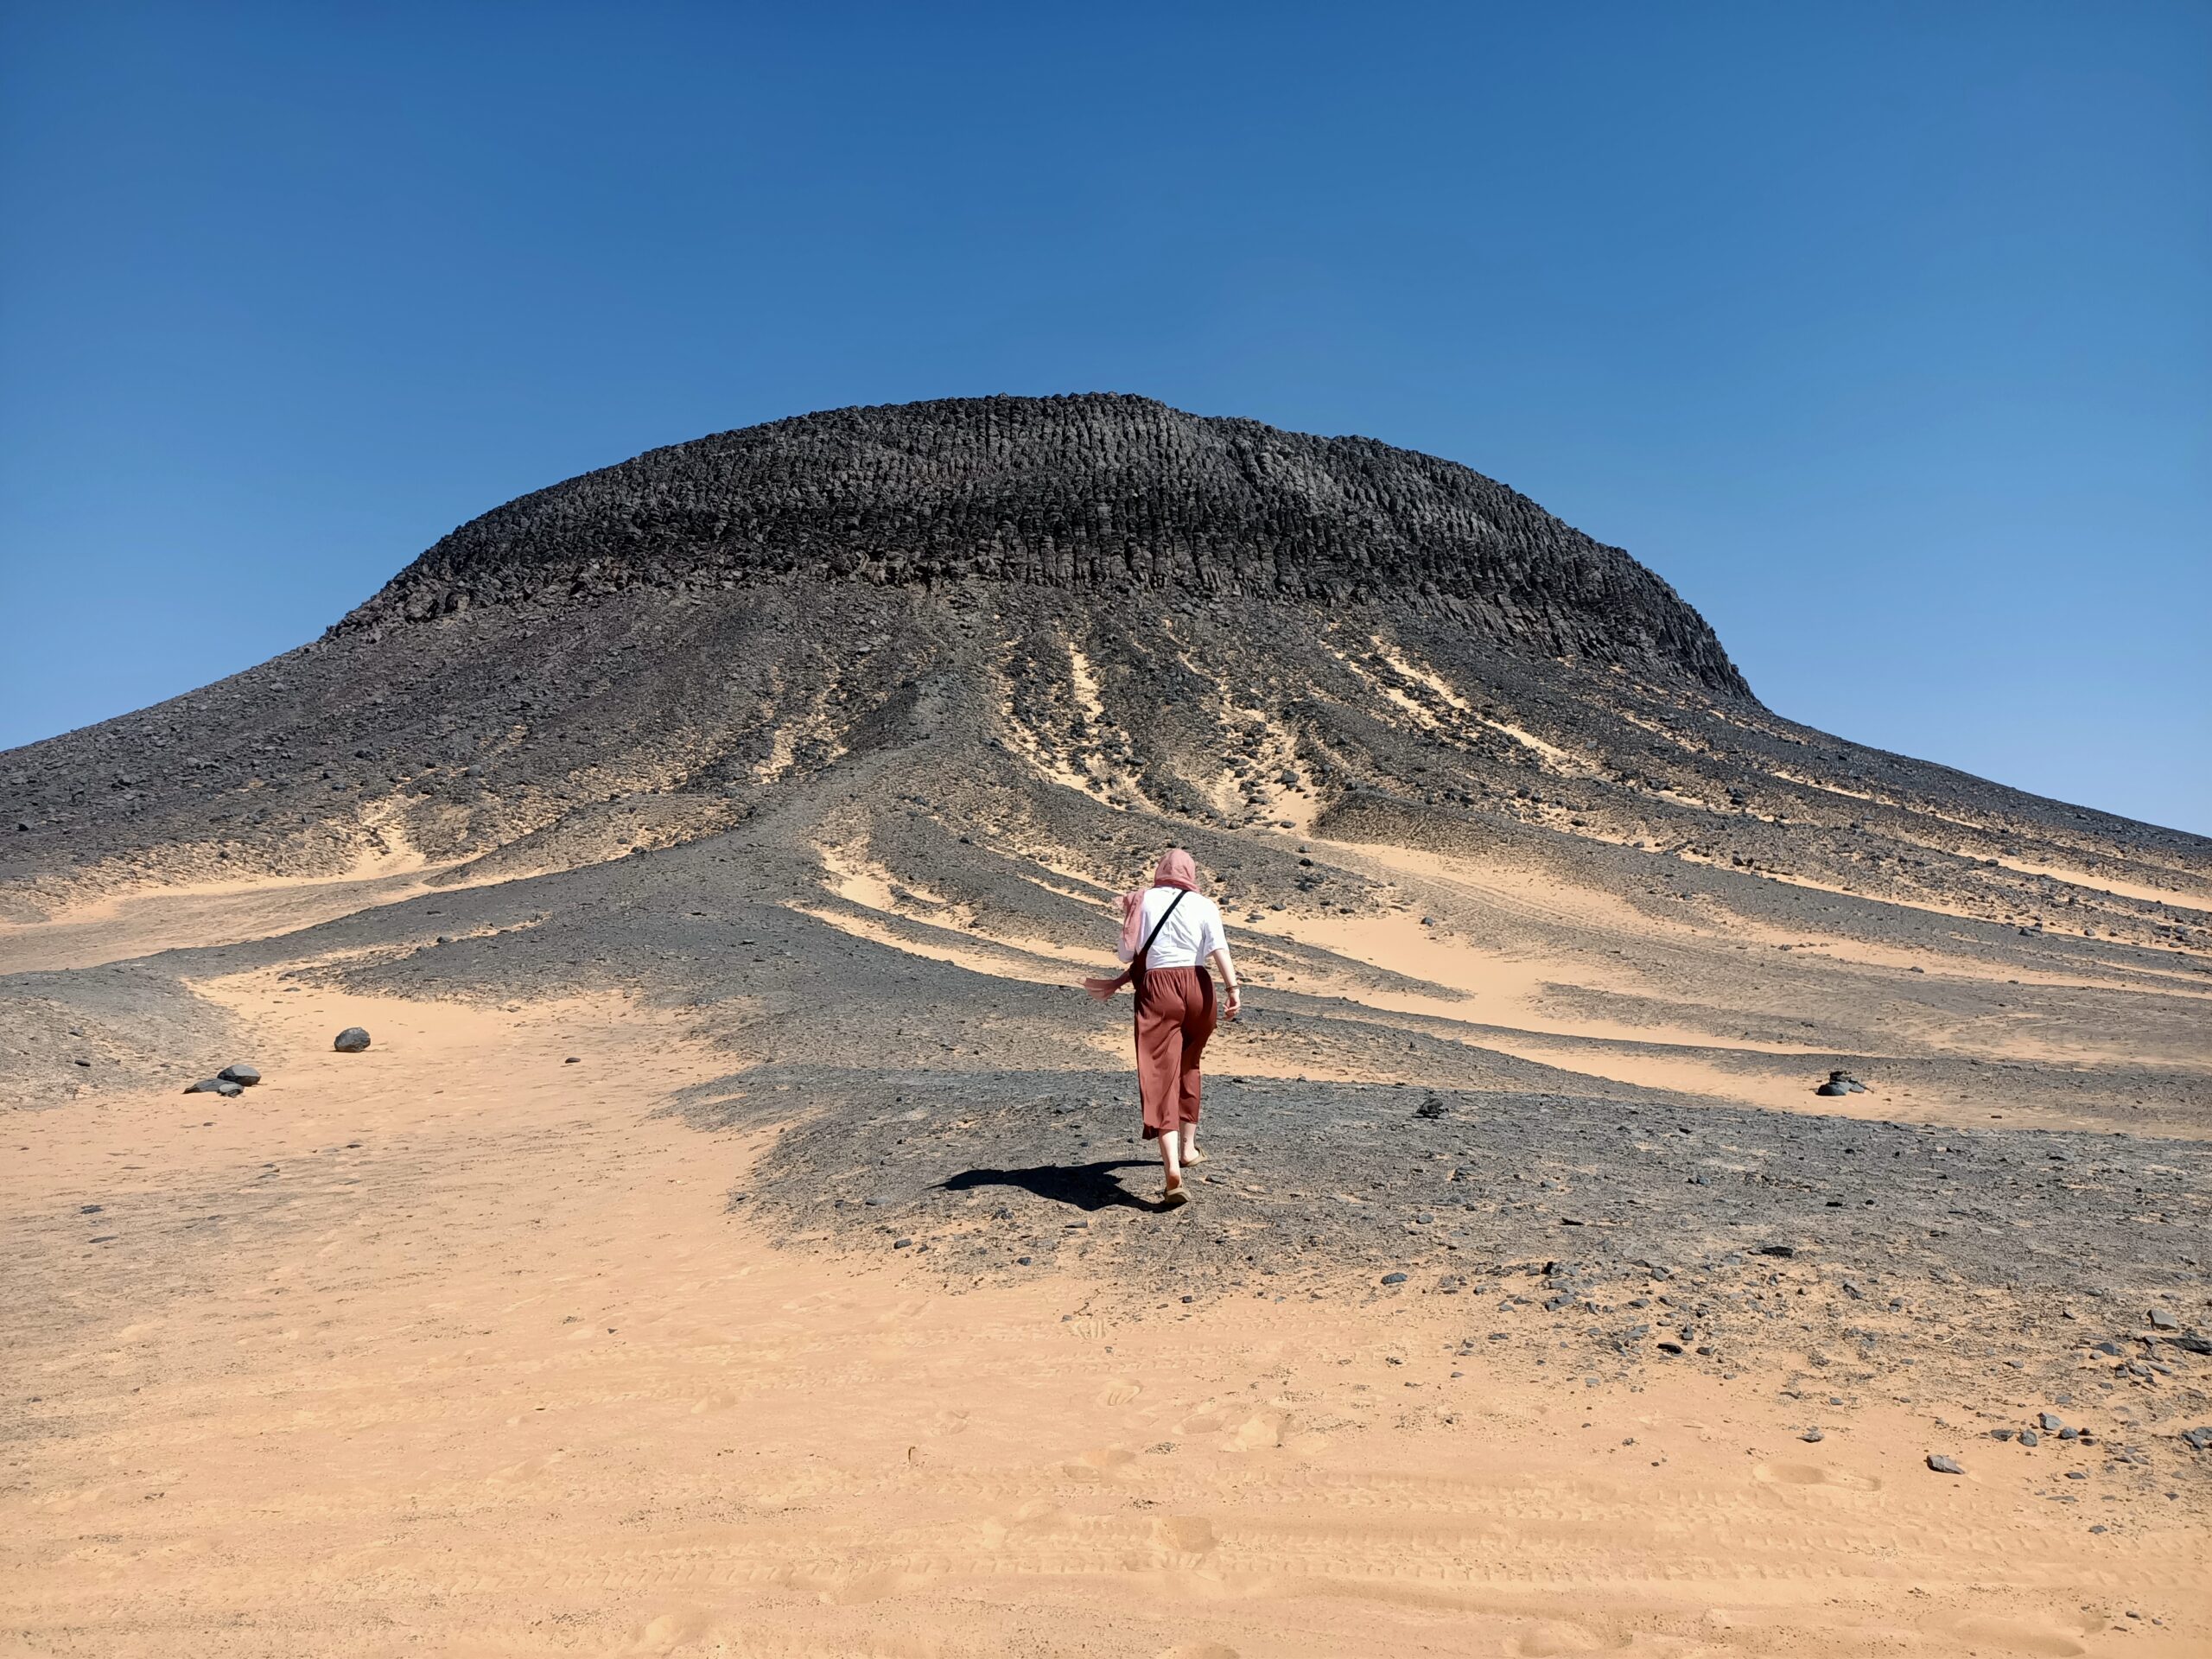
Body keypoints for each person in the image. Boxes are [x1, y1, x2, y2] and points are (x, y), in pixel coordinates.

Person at [1083, 848, 1240, 1205]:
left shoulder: (1143, 900)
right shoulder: (1205, 905)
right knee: (1190, 1065)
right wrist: (1233, 990)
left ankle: (1172, 1170)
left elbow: (1126, 955)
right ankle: (1188, 1149)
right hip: (1201, 987)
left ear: (1160, 871)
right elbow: (1220, 950)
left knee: (1158, 1074)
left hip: (1159, 988)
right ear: (1190, 871)